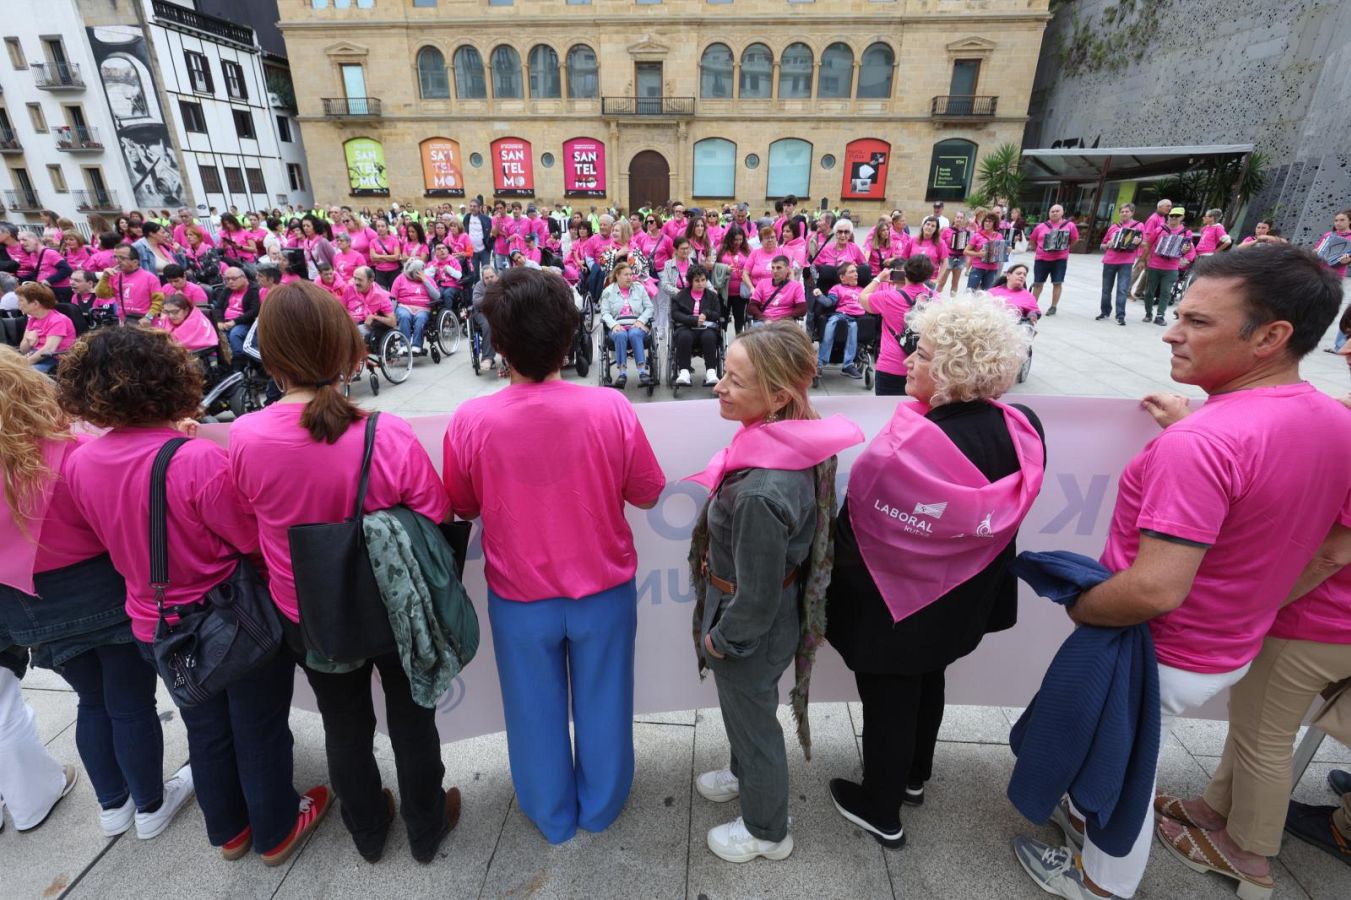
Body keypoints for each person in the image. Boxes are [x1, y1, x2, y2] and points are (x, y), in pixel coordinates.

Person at [1011, 244, 1351, 900]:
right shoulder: (1331, 420)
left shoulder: (1200, 447)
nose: (1169, 329)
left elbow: (1154, 586)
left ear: (1271, 336)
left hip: (1155, 647)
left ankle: (1101, 882)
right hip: (1228, 644)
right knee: (1118, 759)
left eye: (1197, 321)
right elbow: (1317, 537)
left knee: (1125, 775)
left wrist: (1083, 608)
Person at [58, 327, 332, 863]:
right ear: (167, 378)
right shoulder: (196, 460)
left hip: (151, 621)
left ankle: (229, 830)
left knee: (205, 730)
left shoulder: (81, 462)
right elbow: (250, 540)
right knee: (259, 727)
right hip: (228, 620)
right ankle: (277, 829)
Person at [229, 283, 462, 864]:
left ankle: (367, 830)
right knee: (413, 721)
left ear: (271, 356)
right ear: (347, 349)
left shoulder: (245, 438)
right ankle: (426, 828)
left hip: (308, 613)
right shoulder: (387, 434)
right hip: (396, 608)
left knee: (343, 726)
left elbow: (242, 528)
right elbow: (434, 514)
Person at [443, 268, 665, 844]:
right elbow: (647, 491)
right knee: (606, 704)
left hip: (520, 597)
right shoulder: (610, 409)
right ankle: (601, 806)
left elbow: (461, 504)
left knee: (532, 711)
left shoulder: (471, 420)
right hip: (604, 589)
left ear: (497, 342)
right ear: (570, 338)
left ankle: (552, 815)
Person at [827, 293, 1043, 849]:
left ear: (950, 371)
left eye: (919, 353)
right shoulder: (1023, 428)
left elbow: (853, 537)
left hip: (894, 606)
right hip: (962, 599)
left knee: (890, 697)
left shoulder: (902, 453)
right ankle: (914, 777)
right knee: (929, 679)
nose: (907, 361)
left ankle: (880, 806)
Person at [0, 349, 195, 839]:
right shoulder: (69, 451)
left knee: (91, 699)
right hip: (101, 591)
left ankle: (113, 806)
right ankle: (151, 804)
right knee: (129, 700)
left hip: (28, 605)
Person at [687, 323, 864, 863]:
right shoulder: (785, 440)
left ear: (779, 396)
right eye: (724, 372)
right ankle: (745, 774)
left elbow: (757, 598)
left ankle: (767, 830)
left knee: (755, 724)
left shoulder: (764, 489)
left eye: (735, 381)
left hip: (749, 625)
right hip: (764, 611)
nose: (718, 386)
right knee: (747, 712)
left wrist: (721, 641)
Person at [861, 255, 933, 396]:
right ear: (928, 275)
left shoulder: (889, 297)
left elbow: (862, 297)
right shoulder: (936, 298)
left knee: (885, 413)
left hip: (891, 366)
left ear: (905, 272)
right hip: (922, 366)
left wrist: (878, 279)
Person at [600, 262, 653, 388]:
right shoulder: (608, 291)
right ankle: (622, 373)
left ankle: (641, 371)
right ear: (617, 275)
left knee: (634, 333)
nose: (629, 277)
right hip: (618, 325)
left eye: (631, 274)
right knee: (620, 335)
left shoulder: (639, 288)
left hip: (637, 324)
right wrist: (613, 325)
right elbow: (605, 313)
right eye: (626, 275)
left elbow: (649, 308)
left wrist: (641, 320)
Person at [812, 261, 867, 379]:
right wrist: (819, 295)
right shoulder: (837, 288)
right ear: (842, 277)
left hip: (856, 318)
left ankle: (848, 365)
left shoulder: (862, 290)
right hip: (841, 315)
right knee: (831, 324)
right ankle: (821, 362)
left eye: (856, 271)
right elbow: (828, 303)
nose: (856, 274)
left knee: (853, 330)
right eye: (852, 272)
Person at [1141, 208, 1195, 325]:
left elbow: (1189, 249)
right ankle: (1148, 313)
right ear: (1168, 216)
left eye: (1177, 216)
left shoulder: (1186, 232)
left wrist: (1185, 257)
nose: (1174, 218)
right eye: (1172, 215)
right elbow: (1148, 244)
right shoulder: (1160, 229)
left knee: (1165, 292)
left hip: (1171, 268)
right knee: (1150, 291)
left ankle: (1160, 315)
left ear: (1182, 218)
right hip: (1154, 265)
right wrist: (1144, 259)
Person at [672, 264, 722, 387]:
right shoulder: (681, 295)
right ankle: (684, 372)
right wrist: (692, 319)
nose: (700, 283)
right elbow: (675, 314)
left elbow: (717, 314)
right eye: (697, 281)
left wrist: (706, 313)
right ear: (690, 281)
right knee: (684, 337)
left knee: (709, 337)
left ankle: (711, 372)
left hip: (707, 328)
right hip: (686, 327)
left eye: (703, 280)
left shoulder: (712, 296)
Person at [1098, 204, 1145, 325]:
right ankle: (1105, 311)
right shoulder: (1114, 226)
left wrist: (1139, 243)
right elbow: (1102, 245)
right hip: (1110, 260)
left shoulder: (1138, 226)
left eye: (1127, 211)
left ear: (1132, 213)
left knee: (1122, 289)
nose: (1124, 213)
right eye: (1122, 211)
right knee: (1106, 289)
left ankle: (1120, 315)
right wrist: (1107, 244)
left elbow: (1143, 243)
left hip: (1126, 261)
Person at [1029, 205, 1079, 316]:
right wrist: (1039, 249)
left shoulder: (1069, 225)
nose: (1054, 213)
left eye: (1057, 211)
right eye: (1052, 211)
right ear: (1049, 213)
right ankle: (1033, 306)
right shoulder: (1041, 226)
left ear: (1062, 212)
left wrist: (1065, 247)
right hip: (1041, 259)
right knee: (1038, 283)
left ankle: (1053, 307)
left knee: (1057, 282)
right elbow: (1032, 240)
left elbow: (1075, 239)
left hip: (1059, 259)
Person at [16, 283, 76, 375]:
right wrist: (29, 341)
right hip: (36, 356)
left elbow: (49, 349)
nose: (18, 304)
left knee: (20, 374)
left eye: (21, 300)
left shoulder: (58, 320)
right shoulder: (32, 319)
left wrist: (26, 362)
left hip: (55, 361)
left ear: (35, 304)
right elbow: (23, 349)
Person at [390, 258, 438, 355]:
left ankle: (417, 345)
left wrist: (425, 281)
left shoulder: (428, 279)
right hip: (405, 306)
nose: (420, 273)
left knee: (420, 318)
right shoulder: (400, 278)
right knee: (404, 316)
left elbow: (436, 296)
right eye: (417, 272)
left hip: (423, 307)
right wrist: (391, 313)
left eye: (421, 271)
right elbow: (393, 297)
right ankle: (404, 345)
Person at [103, 243, 160, 323]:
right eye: (115, 257)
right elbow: (102, 294)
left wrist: (148, 317)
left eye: (122, 258)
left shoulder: (150, 278)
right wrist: (104, 278)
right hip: (125, 322)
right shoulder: (115, 276)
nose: (117, 261)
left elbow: (159, 302)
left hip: (146, 324)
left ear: (135, 262)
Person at [748, 256, 807, 324]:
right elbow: (752, 306)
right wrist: (763, 319)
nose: (775, 271)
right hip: (764, 321)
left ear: (787, 269)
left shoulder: (796, 286)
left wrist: (785, 319)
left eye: (778, 268)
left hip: (786, 322)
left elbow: (802, 309)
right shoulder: (762, 283)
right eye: (773, 268)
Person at [342, 266, 397, 336]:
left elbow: (392, 322)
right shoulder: (349, 289)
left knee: (352, 333)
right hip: (348, 322)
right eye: (355, 278)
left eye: (360, 280)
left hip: (364, 325)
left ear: (371, 280)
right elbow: (342, 309)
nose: (356, 282)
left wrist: (374, 317)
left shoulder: (381, 295)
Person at [965, 213, 1006, 291]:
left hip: (992, 269)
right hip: (978, 267)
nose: (987, 223)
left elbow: (1001, 253)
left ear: (994, 223)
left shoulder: (999, 236)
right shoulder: (977, 235)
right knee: (970, 291)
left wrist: (1006, 250)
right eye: (986, 221)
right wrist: (978, 254)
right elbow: (966, 251)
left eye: (990, 221)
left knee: (987, 293)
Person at [937, 211, 970, 297]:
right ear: (954, 218)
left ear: (963, 220)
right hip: (948, 258)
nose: (959, 219)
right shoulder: (947, 230)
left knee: (955, 282)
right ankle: (935, 299)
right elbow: (940, 243)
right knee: (942, 282)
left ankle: (952, 300)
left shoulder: (966, 232)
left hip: (960, 258)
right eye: (957, 217)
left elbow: (969, 244)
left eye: (961, 218)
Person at [1313, 209, 1351, 279]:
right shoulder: (1328, 235)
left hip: (1336, 275)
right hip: (1318, 271)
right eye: (1336, 220)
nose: (1338, 223)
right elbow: (1316, 249)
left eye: (1342, 220)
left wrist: (1348, 260)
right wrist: (1315, 251)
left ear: (1349, 221)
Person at [368, 218, 402, 290]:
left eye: (382, 226)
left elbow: (396, 257)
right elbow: (372, 258)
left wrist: (379, 257)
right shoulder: (373, 242)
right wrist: (389, 257)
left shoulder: (394, 240)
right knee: (382, 294)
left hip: (394, 271)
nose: (380, 228)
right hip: (380, 272)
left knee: (394, 293)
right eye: (378, 226)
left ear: (387, 228)